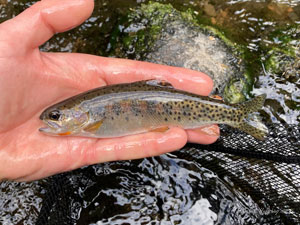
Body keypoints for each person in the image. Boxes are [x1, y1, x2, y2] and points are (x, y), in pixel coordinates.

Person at [0, 0, 219, 181]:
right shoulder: (86, 121)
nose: (51, 119)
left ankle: (230, 113)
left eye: (56, 116)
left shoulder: (88, 120)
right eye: (55, 116)